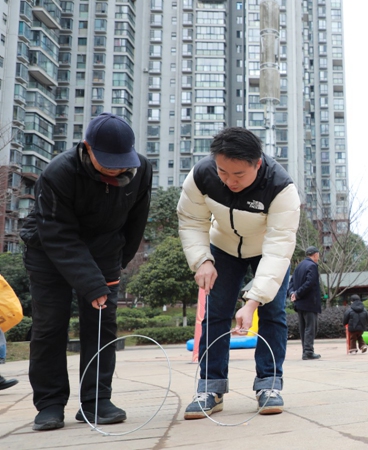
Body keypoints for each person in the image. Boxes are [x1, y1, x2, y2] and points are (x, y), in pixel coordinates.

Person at [19, 112, 152, 431]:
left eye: (122, 161)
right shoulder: (59, 172)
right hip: (49, 250)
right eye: (108, 161)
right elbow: (59, 234)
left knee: (102, 324)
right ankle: (49, 403)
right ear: (87, 148)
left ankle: (96, 401)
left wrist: (117, 263)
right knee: (50, 325)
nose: (117, 168)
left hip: (105, 248)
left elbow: (137, 218)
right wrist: (91, 283)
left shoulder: (140, 168)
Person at [177, 127, 300, 419]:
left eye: (239, 175)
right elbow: (191, 220)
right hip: (222, 248)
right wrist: (202, 260)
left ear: (257, 164)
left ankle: (269, 385)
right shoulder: (201, 175)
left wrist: (253, 301)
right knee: (216, 314)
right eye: (223, 172)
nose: (230, 181)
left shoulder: (281, 188)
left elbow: (279, 247)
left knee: (273, 312)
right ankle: (210, 387)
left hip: (266, 250)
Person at [290, 247, 322, 360]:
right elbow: (310, 283)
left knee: (303, 328)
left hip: (299, 304)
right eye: (318, 254)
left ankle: (306, 351)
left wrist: (293, 293)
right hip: (309, 302)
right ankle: (308, 352)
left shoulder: (299, 266)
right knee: (311, 327)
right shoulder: (312, 266)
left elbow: (292, 282)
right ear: (315, 255)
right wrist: (298, 293)